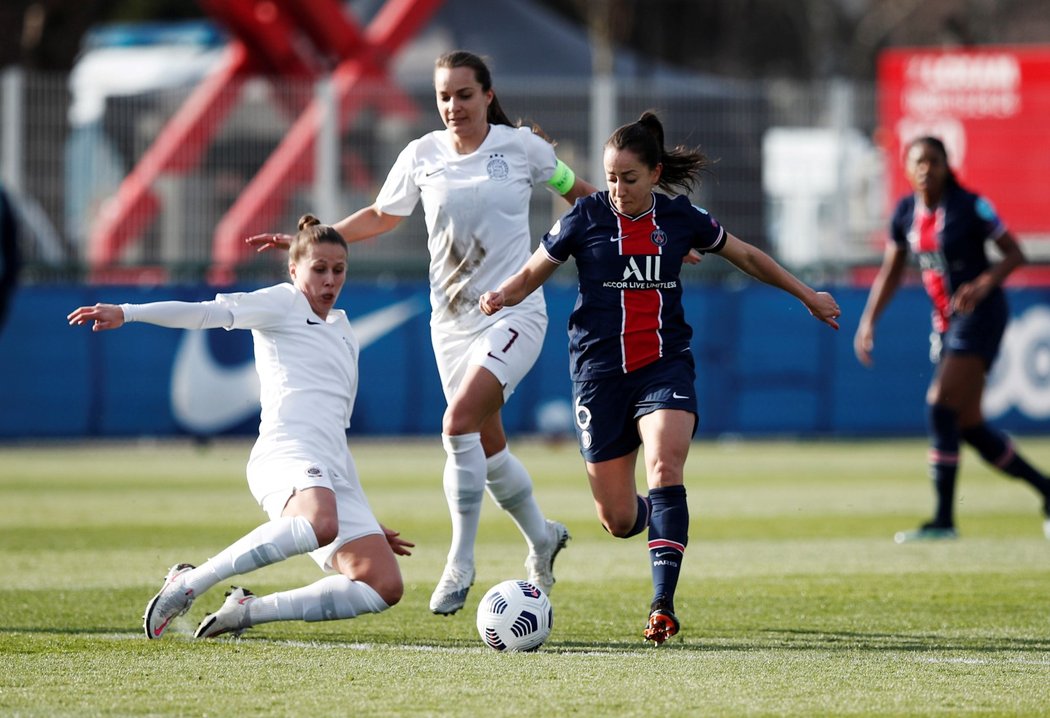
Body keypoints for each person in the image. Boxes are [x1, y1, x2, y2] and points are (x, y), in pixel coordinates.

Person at [249, 51, 596, 615]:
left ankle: (460, 561)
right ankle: (542, 535)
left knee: (456, 424)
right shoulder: (421, 156)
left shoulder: (524, 149)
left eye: (464, 94)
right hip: (451, 325)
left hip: (515, 314)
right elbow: (384, 215)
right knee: (486, 444)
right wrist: (309, 238)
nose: (453, 106)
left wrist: (647, 233)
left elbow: (580, 193)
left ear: (487, 95)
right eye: (443, 96)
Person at [479, 111, 841, 644]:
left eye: (628, 177)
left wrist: (807, 295)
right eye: (609, 177)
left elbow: (746, 255)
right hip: (599, 375)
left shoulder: (680, 218)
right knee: (619, 519)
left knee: (665, 465)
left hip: (664, 366)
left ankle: (662, 605)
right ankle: (662, 518)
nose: (618, 189)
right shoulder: (585, 218)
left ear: (654, 174)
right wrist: (500, 295)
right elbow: (535, 270)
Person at [68, 215, 413, 639]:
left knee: (383, 585)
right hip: (286, 453)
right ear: (293, 270)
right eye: (318, 269)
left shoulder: (343, 331)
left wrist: (363, 514)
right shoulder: (283, 303)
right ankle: (191, 583)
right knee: (321, 523)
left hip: (329, 469)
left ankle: (247, 610)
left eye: (338, 270)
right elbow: (204, 313)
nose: (329, 279)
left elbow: (335, 436)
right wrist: (128, 311)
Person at [854, 135, 1050, 543]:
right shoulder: (906, 212)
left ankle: (944, 520)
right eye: (918, 161)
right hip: (945, 321)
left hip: (980, 315)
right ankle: (1047, 490)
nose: (926, 168)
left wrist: (983, 283)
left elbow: (1014, 253)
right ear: (907, 169)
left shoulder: (970, 206)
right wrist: (868, 320)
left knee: (940, 406)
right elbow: (891, 270)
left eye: (934, 161)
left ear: (947, 165)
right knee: (969, 425)